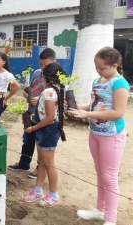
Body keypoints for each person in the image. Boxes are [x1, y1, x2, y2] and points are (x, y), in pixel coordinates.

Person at [69, 47, 129, 225]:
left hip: (112, 135)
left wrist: (87, 115)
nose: (98, 70)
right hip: (95, 133)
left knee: (109, 176)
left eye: (102, 67)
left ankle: (110, 218)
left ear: (114, 65)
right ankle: (100, 209)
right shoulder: (98, 80)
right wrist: (79, 107)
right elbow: (95, 106)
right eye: (96, 66)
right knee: (100, 173)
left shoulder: (120, 84)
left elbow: (118, 112)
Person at [7, 48, 56, 179]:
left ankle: (40, 168)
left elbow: (55, 97)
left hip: (45, 116)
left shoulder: (57, 76)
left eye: (46, 64)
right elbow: (33, 90)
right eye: (41, 64)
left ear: (54, 62)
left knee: (42, 143)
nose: (43, 67)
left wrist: (39, 98)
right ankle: (24, 163)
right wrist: (27, 95)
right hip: (32, 111)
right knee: (27, 138)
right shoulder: (37, 73)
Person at [23, 62, 66, 207]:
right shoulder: (54, 90)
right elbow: (46, 114)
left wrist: (34, 128)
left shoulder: (49, 92)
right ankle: (38, 190)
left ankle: (53, 194)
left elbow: (50, 117)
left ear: (45, 77)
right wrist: (35, 118)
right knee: (41, 161)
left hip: (47, 130)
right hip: (45, 129)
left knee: (48, 163)